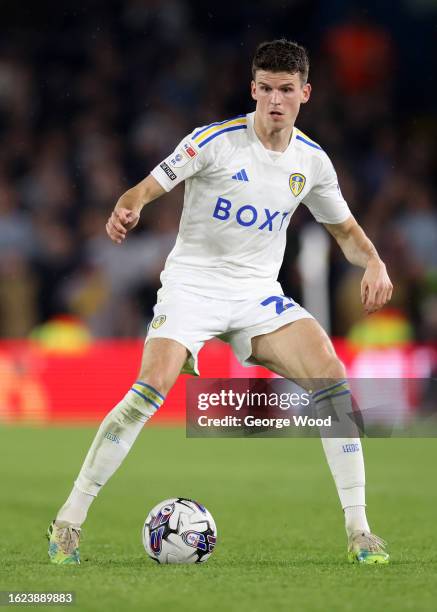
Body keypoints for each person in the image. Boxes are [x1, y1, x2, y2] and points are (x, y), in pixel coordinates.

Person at [47, 39, 393, 565]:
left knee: (330, 376)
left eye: (286, 90)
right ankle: (68, 522)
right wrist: (128, 206)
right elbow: (144, 188)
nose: (275, 100)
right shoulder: (214, 141)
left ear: (306, 93)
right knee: (149, 388)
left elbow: (345, 230)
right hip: (193, 285)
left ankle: (360, 531)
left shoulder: (312, 163)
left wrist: (373, 261)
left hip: (257, 294)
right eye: (266, 89)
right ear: (253, 89)